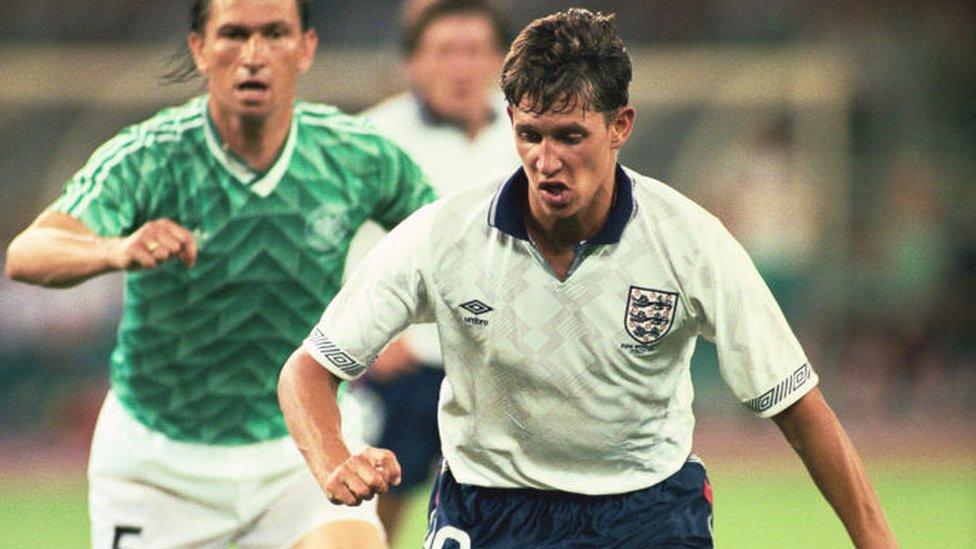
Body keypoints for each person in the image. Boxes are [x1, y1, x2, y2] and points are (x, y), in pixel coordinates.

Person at [278, 8, 897, 548]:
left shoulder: (690, 241)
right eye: (530, 135)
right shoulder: (443, 235)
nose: (546, 161)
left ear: (620, 126)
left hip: (648, 510)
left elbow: (797, 405)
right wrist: (334, 460)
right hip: (491, 509)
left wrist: (875, 538)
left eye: (571, 136)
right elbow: (307, 370)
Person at [3, 0, 435, 547]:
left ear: (305, 49)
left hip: (296, 449)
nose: (253, 55)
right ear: (199, 49)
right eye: (233, 33)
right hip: (160, 462)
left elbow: (444, 243)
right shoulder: (150, 156)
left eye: (274, 33)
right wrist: (115, 250)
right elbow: (29, 252)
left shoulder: (357, 156)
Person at [346, 0, 517, 539]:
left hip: (501, 360)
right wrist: (366, 341)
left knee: (506, 506)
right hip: (404, 362)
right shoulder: (370, 138)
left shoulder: (529, 137)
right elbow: (335, 241)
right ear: (412, 63)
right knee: (377, 501)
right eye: (444, 51)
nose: (460, 66)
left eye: (474, 51)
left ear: (503, 60)